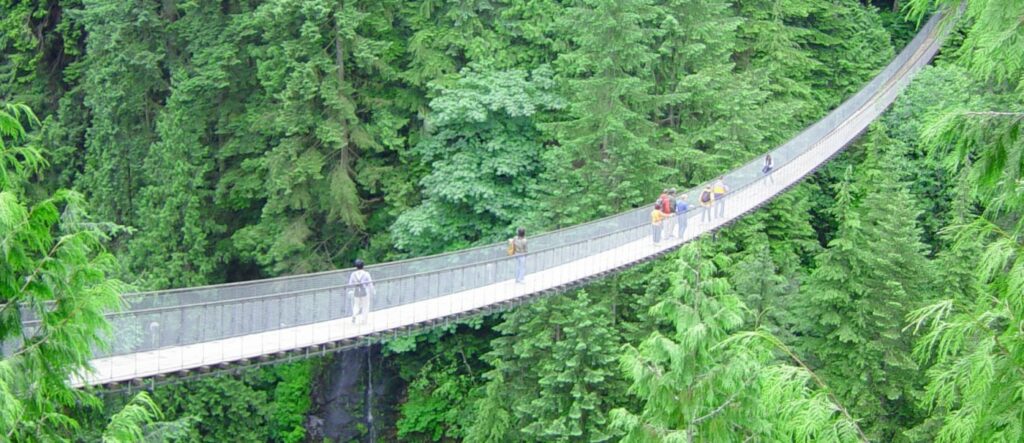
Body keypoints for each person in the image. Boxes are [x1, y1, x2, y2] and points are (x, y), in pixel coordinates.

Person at [347, 259, 375, 324]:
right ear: (363, 266)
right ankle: (364, 320)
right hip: (365, 291)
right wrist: (373, 290)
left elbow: (350, 284)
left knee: (356, 305)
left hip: (356, 291)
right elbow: (370, 283)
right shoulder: (366, 274)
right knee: (365, 305)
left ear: (356, 267)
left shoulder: (353, 274)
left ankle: (354, 315)